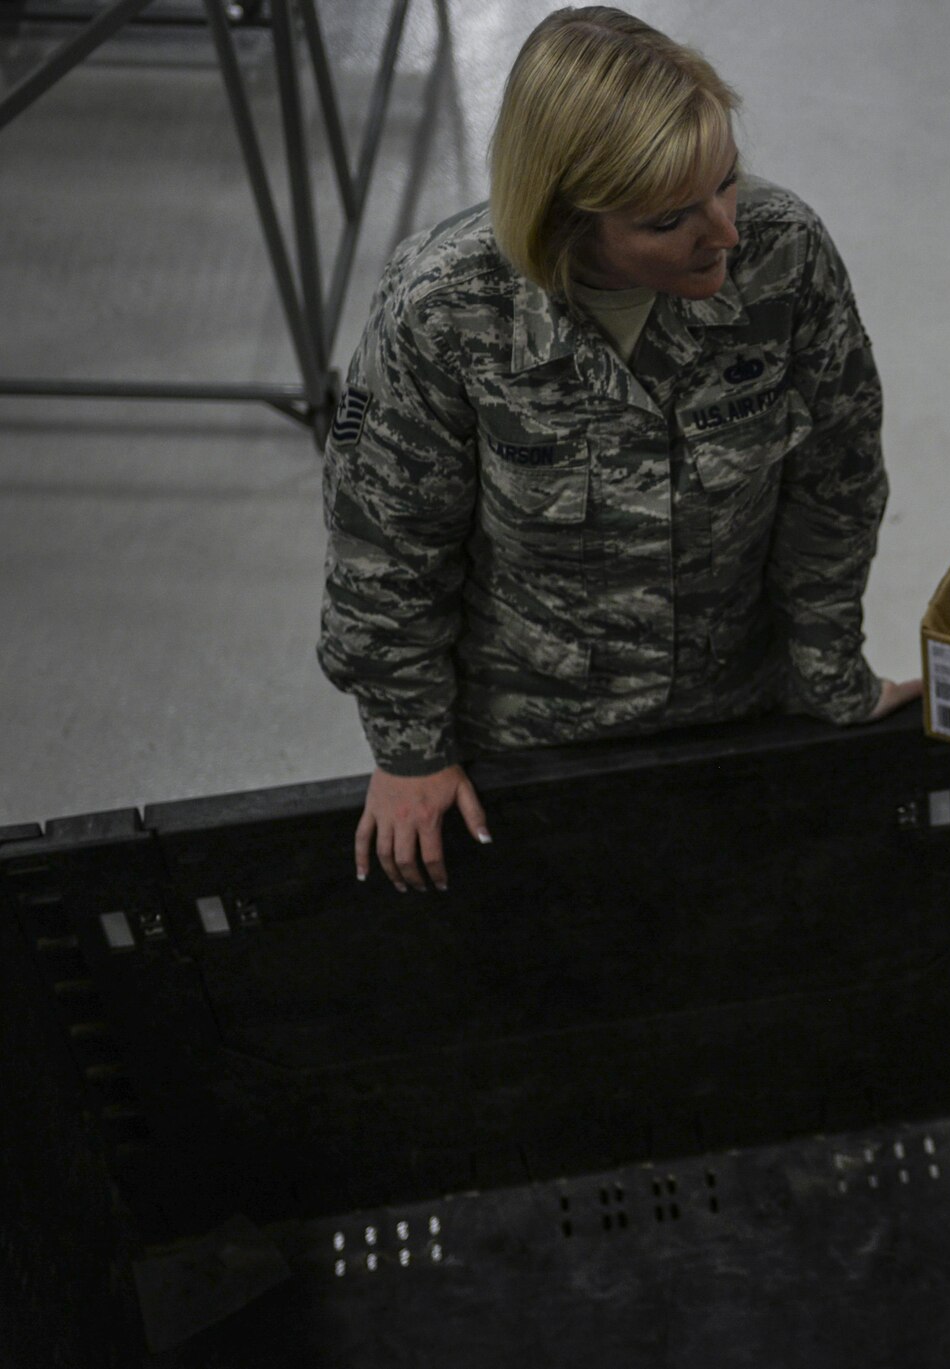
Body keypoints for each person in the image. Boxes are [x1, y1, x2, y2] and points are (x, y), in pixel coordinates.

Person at [319, 8, 916, 894]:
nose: (726, 232)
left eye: (728, 181)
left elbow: (836, 485)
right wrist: (410, 749)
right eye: (671, 217)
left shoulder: (783, 256)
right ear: (569, 221)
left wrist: (828, 675)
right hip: (528, 737)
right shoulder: (444, 310)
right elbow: (386, 549)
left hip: (737, 703)